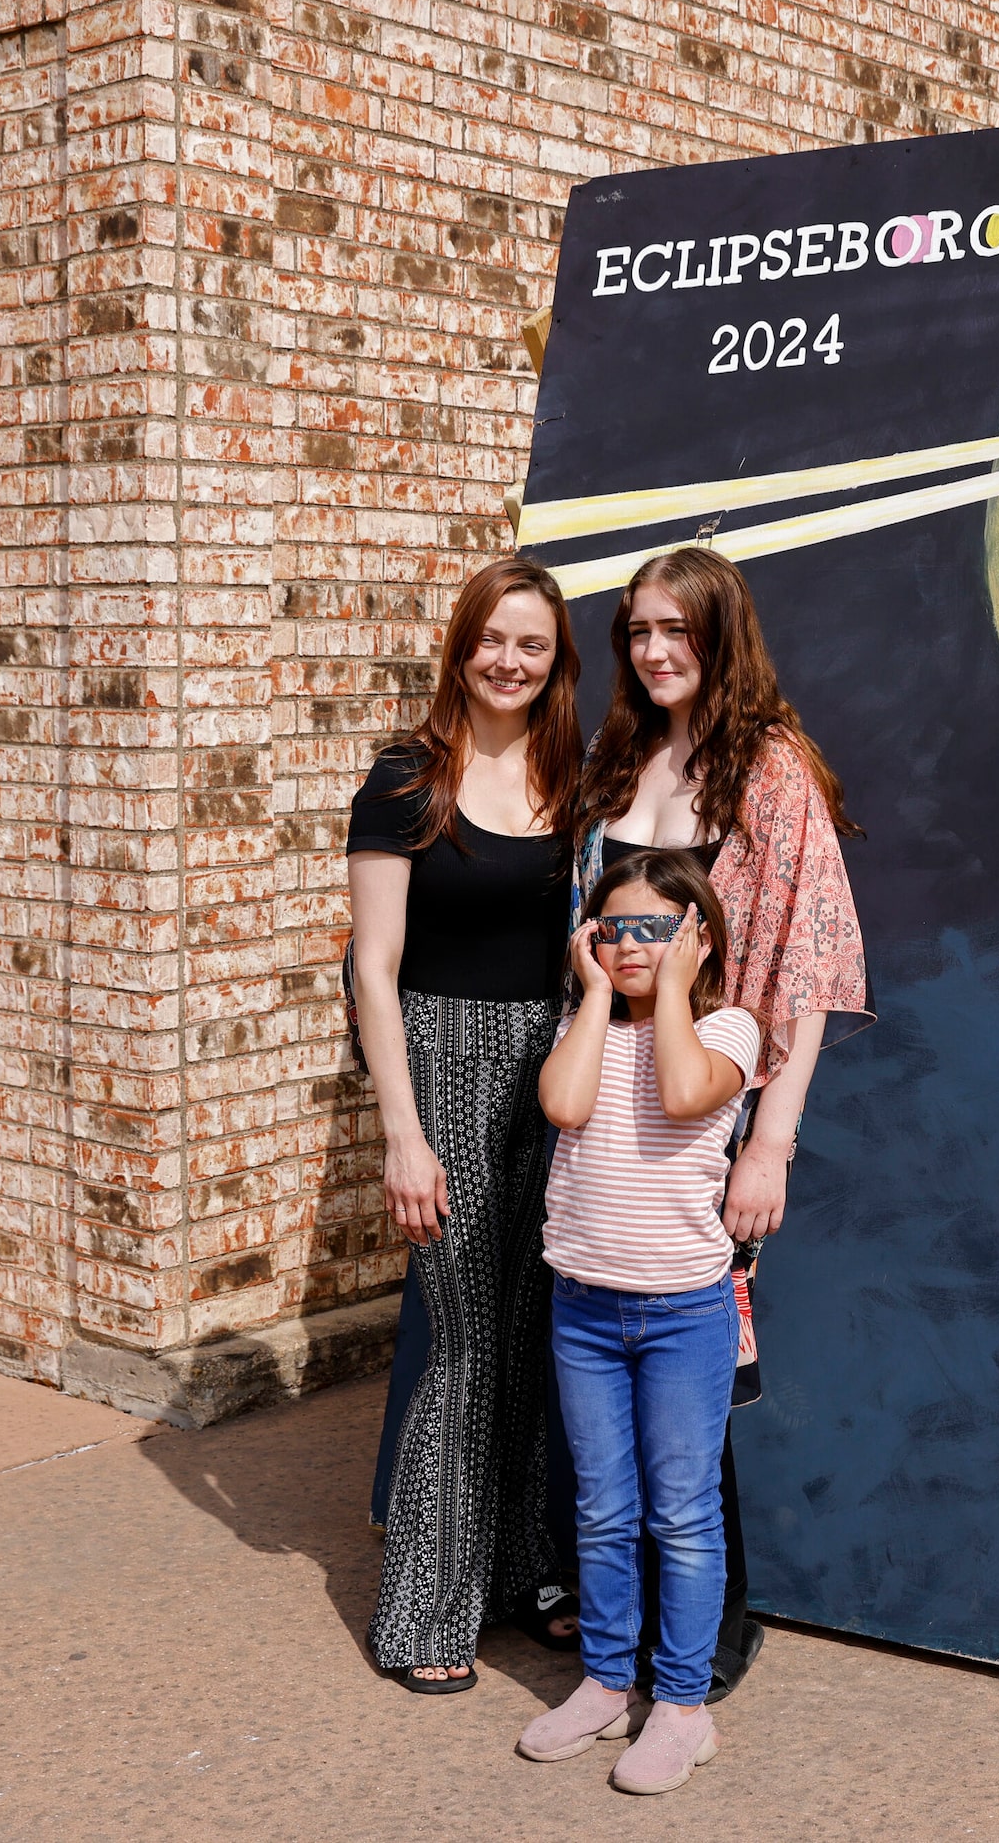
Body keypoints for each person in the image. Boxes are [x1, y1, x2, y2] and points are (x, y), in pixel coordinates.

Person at [572, 545, 871, 1696]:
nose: (653, 652)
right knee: (605, 1366)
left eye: (675, 632)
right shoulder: (623, 758)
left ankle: (707, 1640)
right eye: (637, 631)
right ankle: (617, 1631)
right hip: (605, 1112)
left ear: (719, 636)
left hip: (707, 1113)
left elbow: (804, 964)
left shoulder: (771, 771)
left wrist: (770, 1140)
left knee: (697, 1380)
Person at [347, 556, 583, 1691]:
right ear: (461, 645)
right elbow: (372, 966)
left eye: (531, 644)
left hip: (551, 1061)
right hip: (437, 1058)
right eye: (493, 638)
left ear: (555, 661)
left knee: (535, 1323)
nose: (509, 661)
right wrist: (402, 1131)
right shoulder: (404, 778)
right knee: (463, 1335)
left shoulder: (574, 777)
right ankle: (425, 1614)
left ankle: (519, 1568)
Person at [520, 852, 763, 1795]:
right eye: (613, 928)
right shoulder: (584, 1027)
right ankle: (606, 1683)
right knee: (603, 1509)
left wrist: (673, 985)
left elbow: (681, 1093)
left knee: (684, 1517)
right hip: (583, 1307)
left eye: (655, 929)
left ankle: (682, 1707)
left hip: (680, 1318)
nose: (630, 946)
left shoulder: (727, 1029)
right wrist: (591, 997)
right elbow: (563, 1104)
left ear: (698, 938)